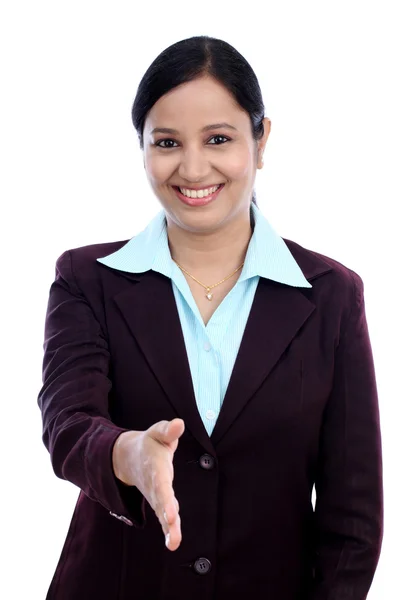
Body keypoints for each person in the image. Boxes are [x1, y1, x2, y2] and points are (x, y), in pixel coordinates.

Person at [38, 35, 383, 600]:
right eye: (167, 142)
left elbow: (353, 521)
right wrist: (129, 455)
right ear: (143, 148)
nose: (192, 167)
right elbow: (68, 424)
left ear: (261, 139)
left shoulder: (332, 297)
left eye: (218, 138)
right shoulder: (86, 280)